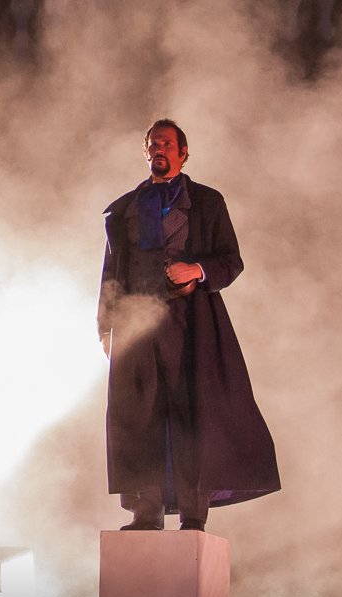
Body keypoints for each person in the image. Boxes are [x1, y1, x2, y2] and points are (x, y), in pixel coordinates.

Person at [98, 120, 279, 531]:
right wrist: (106, 325)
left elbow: (231, 260)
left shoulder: (207, 202)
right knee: (141, 416)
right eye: (153, 144)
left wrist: (196, 269)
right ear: (146, 152)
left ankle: (194, 516)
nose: (159, 149)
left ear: (183, 153)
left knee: (192, 415)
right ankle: (147, 513)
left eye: (167, 143)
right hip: (137, 324)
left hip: (190, 323)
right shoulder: (126, 209)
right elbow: (111, 272)